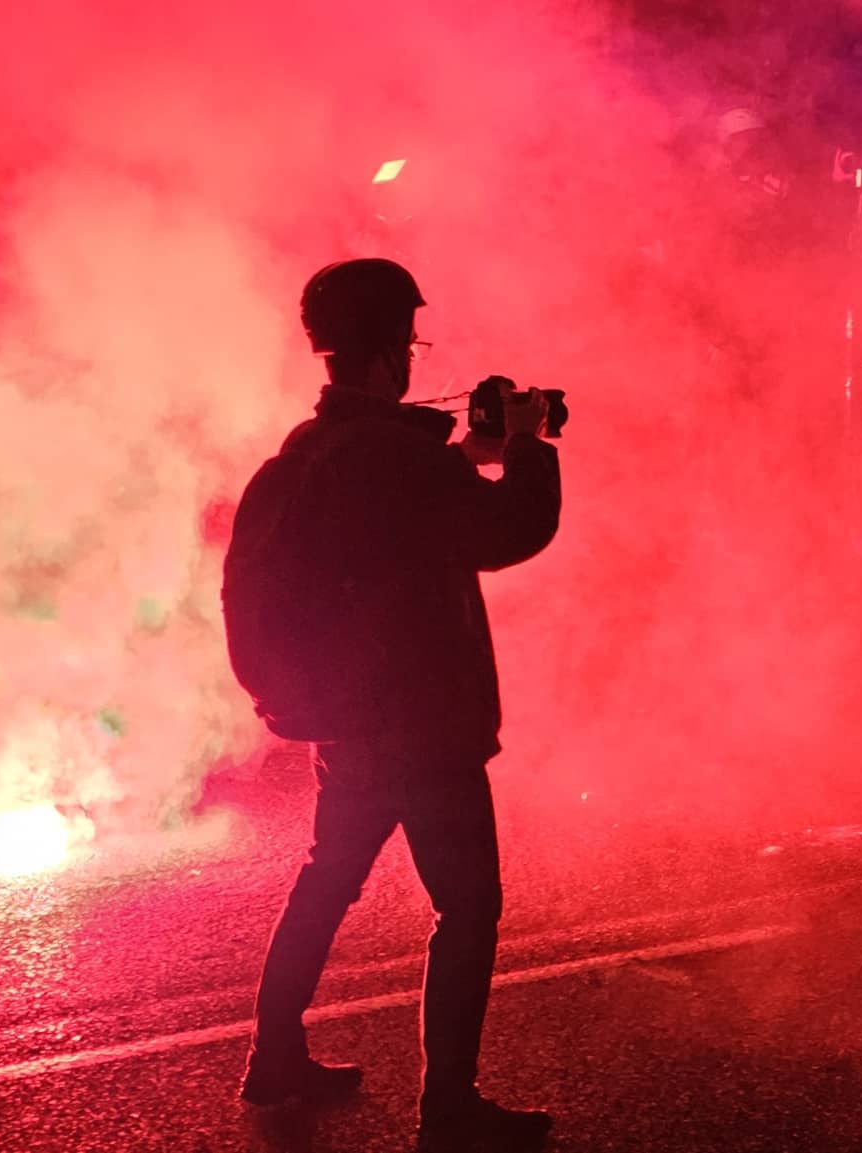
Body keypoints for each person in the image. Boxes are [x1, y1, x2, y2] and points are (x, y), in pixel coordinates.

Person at [222, 258, 561, 1151]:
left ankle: (274, 1055)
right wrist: (528, 444)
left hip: (349, 721)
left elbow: (402, 520)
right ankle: (449, 1105)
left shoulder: (317, 450)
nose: (414, 358)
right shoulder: (395, 460)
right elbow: (505, 531)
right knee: (468, 905)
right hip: (423, 721)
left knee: (326, 878)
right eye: (408, 341)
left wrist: (461, 460)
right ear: (383, 354)